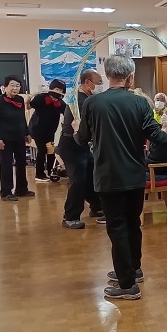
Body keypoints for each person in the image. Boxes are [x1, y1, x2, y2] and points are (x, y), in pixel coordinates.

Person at [74, 55, 167, 300]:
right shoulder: (140, 103)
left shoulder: (92, 103)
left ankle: (127, 284)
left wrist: (77, 129)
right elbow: (158, 137)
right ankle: (133, 269)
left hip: (108, 176)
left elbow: (81, 139)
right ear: (130, 76)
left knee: (117, 227)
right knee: (132, 224)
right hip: (135, 174)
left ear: (108, 75)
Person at [58, 69, 104, 229]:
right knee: (78, 180)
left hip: (82, 144)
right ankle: (70, 216)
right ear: (87, 82)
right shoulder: (80, 101)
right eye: (98, 83)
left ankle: (96, 206)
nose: (100, 86)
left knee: (90, 175)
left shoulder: (88, 99)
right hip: (71, 145)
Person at [0, 75, 35, 201]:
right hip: (5, 139)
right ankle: (6, 192)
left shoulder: (20, 100)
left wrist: (27, 133)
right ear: (5, 87)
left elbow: (22, 118)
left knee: (21, 164)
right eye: (12, 85)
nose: (15, 88)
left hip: (19, 137)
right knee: (6, 165)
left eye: (18, 86)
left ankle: (21, 189)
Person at [29, 79, 67, 182]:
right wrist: (28, 99)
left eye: (61, 90)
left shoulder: (60, 103)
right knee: (42, 150)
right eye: (57, 89)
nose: (58, 92)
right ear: (51, 88)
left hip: (50, 131)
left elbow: (67, 114)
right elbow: (29, 105)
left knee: (51, 150)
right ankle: (39, 174)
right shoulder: (41, 97)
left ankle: (51, 171)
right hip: (37, 129)